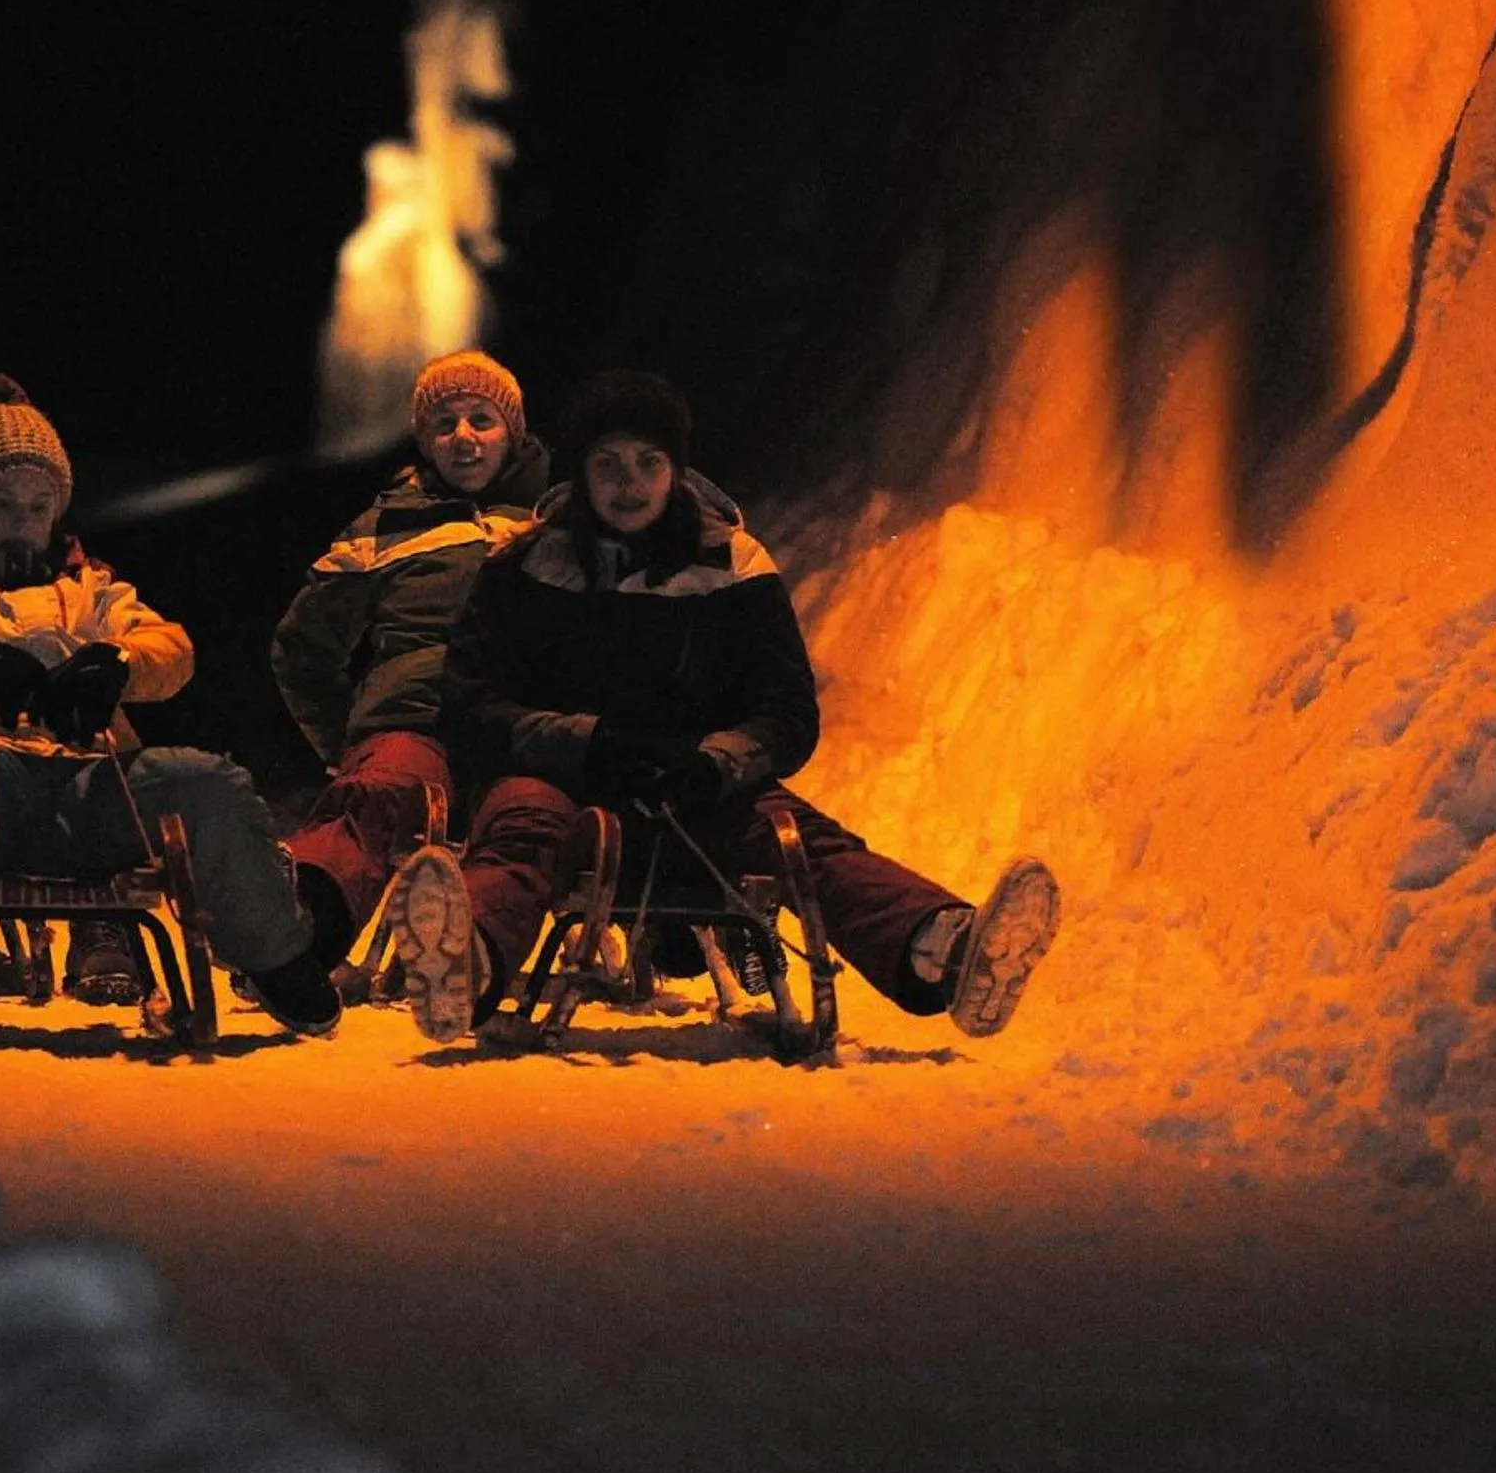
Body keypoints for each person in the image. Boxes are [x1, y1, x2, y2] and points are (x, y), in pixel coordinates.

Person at [423, 368, 1062, 1040]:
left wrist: (714, 763)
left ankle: (946, 950)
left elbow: (786, 710)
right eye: (607, 463)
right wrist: (583, 742)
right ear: (580, 473)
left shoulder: (733, 565)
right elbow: (467, 705)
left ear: (676, 469)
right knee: (520, 825)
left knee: (800, 841)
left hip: (696, 796)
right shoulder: (523, 567)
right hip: (563, 790)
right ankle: (463, 963)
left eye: (649, 462)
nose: (628, 482)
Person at [0, 375, 342, 1039]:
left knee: (207, 780)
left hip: (93, 786)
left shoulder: (91, 585)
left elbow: (172, 648)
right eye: (4, 503)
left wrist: (117, 666)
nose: (23, 520)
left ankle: (276, 954)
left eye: (38, 506)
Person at [270, 350, 571, 1032]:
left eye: (481, 419)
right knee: (377, 788)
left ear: (514, 433)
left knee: (529, 817)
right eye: (444, 424)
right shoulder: (388, 526)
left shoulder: (558, 521)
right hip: (415, 719)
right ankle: (295, 938)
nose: (463, 436)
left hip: (520, 730)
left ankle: (471, 960)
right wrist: (346, 739)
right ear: (424, 440)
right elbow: (301, 649)